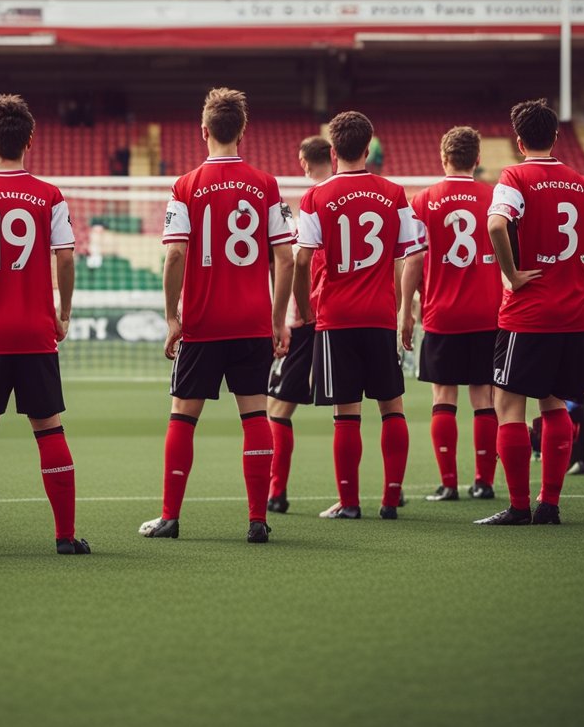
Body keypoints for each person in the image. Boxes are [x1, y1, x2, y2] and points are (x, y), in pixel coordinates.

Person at [139, 87, 295, 543]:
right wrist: (278, 318)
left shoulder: (184, 185)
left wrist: (173, 317)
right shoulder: (266, 184)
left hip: (204, 323)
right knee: (255, 417)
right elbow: (284, 257)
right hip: (251, 321)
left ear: (203, 131)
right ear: (242, 132)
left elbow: (174, 255)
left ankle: (169, 517)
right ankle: (257, 520)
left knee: (182, 417)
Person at [477, 98, 584, 526]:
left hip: (527, 314)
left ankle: (517, 506)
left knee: (508, 407)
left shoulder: (515, 176)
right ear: (556, 137)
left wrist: (511, 273)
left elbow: (495, 224)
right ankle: (550, 504)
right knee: (554, 406)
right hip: (575, 315)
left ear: (518, 141)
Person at [0, 94, 90, 556]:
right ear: (29, 139)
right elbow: (65, 257)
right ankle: (65, 537)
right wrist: (62, 313)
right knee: (49, 428)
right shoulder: (50, 195)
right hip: (34, 332)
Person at [295, 110, 425, 521]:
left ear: (332, 152)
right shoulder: (394, 193)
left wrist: (306, 308)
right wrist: (406, 310)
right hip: (381, 314)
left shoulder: (315, 196)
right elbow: (410, 255)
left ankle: (349, 503)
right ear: (368, 148)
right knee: (392, 407)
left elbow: (301, 259)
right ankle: (390, 500)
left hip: (336, 318)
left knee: (345, 413)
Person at [399, 126, 501, 502]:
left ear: (443, 159)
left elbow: (413, 260)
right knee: (484, 398)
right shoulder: (494, 198)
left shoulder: (423, 200)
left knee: (443, 397)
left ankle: (448, 482)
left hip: (441, 313)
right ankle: (484, 481)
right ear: (477, 159)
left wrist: (406, 310)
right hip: (488, 312)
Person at [266, 135, 332, 514]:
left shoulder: (312, 203)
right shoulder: (357, 198)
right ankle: (389, 493)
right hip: (355, 316)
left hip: (312, 317)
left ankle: (276, 492)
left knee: (279, 407)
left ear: (305, 162)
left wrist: (293, 315)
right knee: (369, 405)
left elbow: (297, 263)